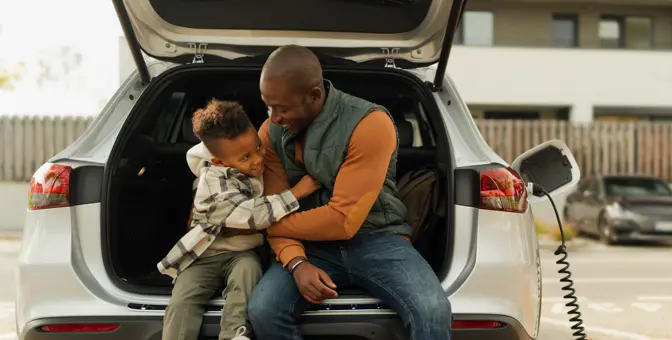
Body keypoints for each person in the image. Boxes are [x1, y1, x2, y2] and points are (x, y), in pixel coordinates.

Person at [246, 45, 452, 340]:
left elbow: (342, 220)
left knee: (432, 309)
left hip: (378, 238)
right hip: (309, 247)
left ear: (315, 95)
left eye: (282, 108)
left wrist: (268, 223)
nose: (274, 117)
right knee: (264, 310)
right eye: (269, 107)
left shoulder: (370, 123)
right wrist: (296, 262)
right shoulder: (270, 132)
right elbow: (275, 204)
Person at [158, 99, 320, 340]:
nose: (256, 160)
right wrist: (297, 193)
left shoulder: (257, 164)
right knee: (184, 297)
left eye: (258, 147)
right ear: (219, 162)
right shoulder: (213, 180)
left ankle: (235, 335)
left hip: (244, 254)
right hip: (205, 255)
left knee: (247, 274)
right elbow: (251, 215)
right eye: (245, 157)